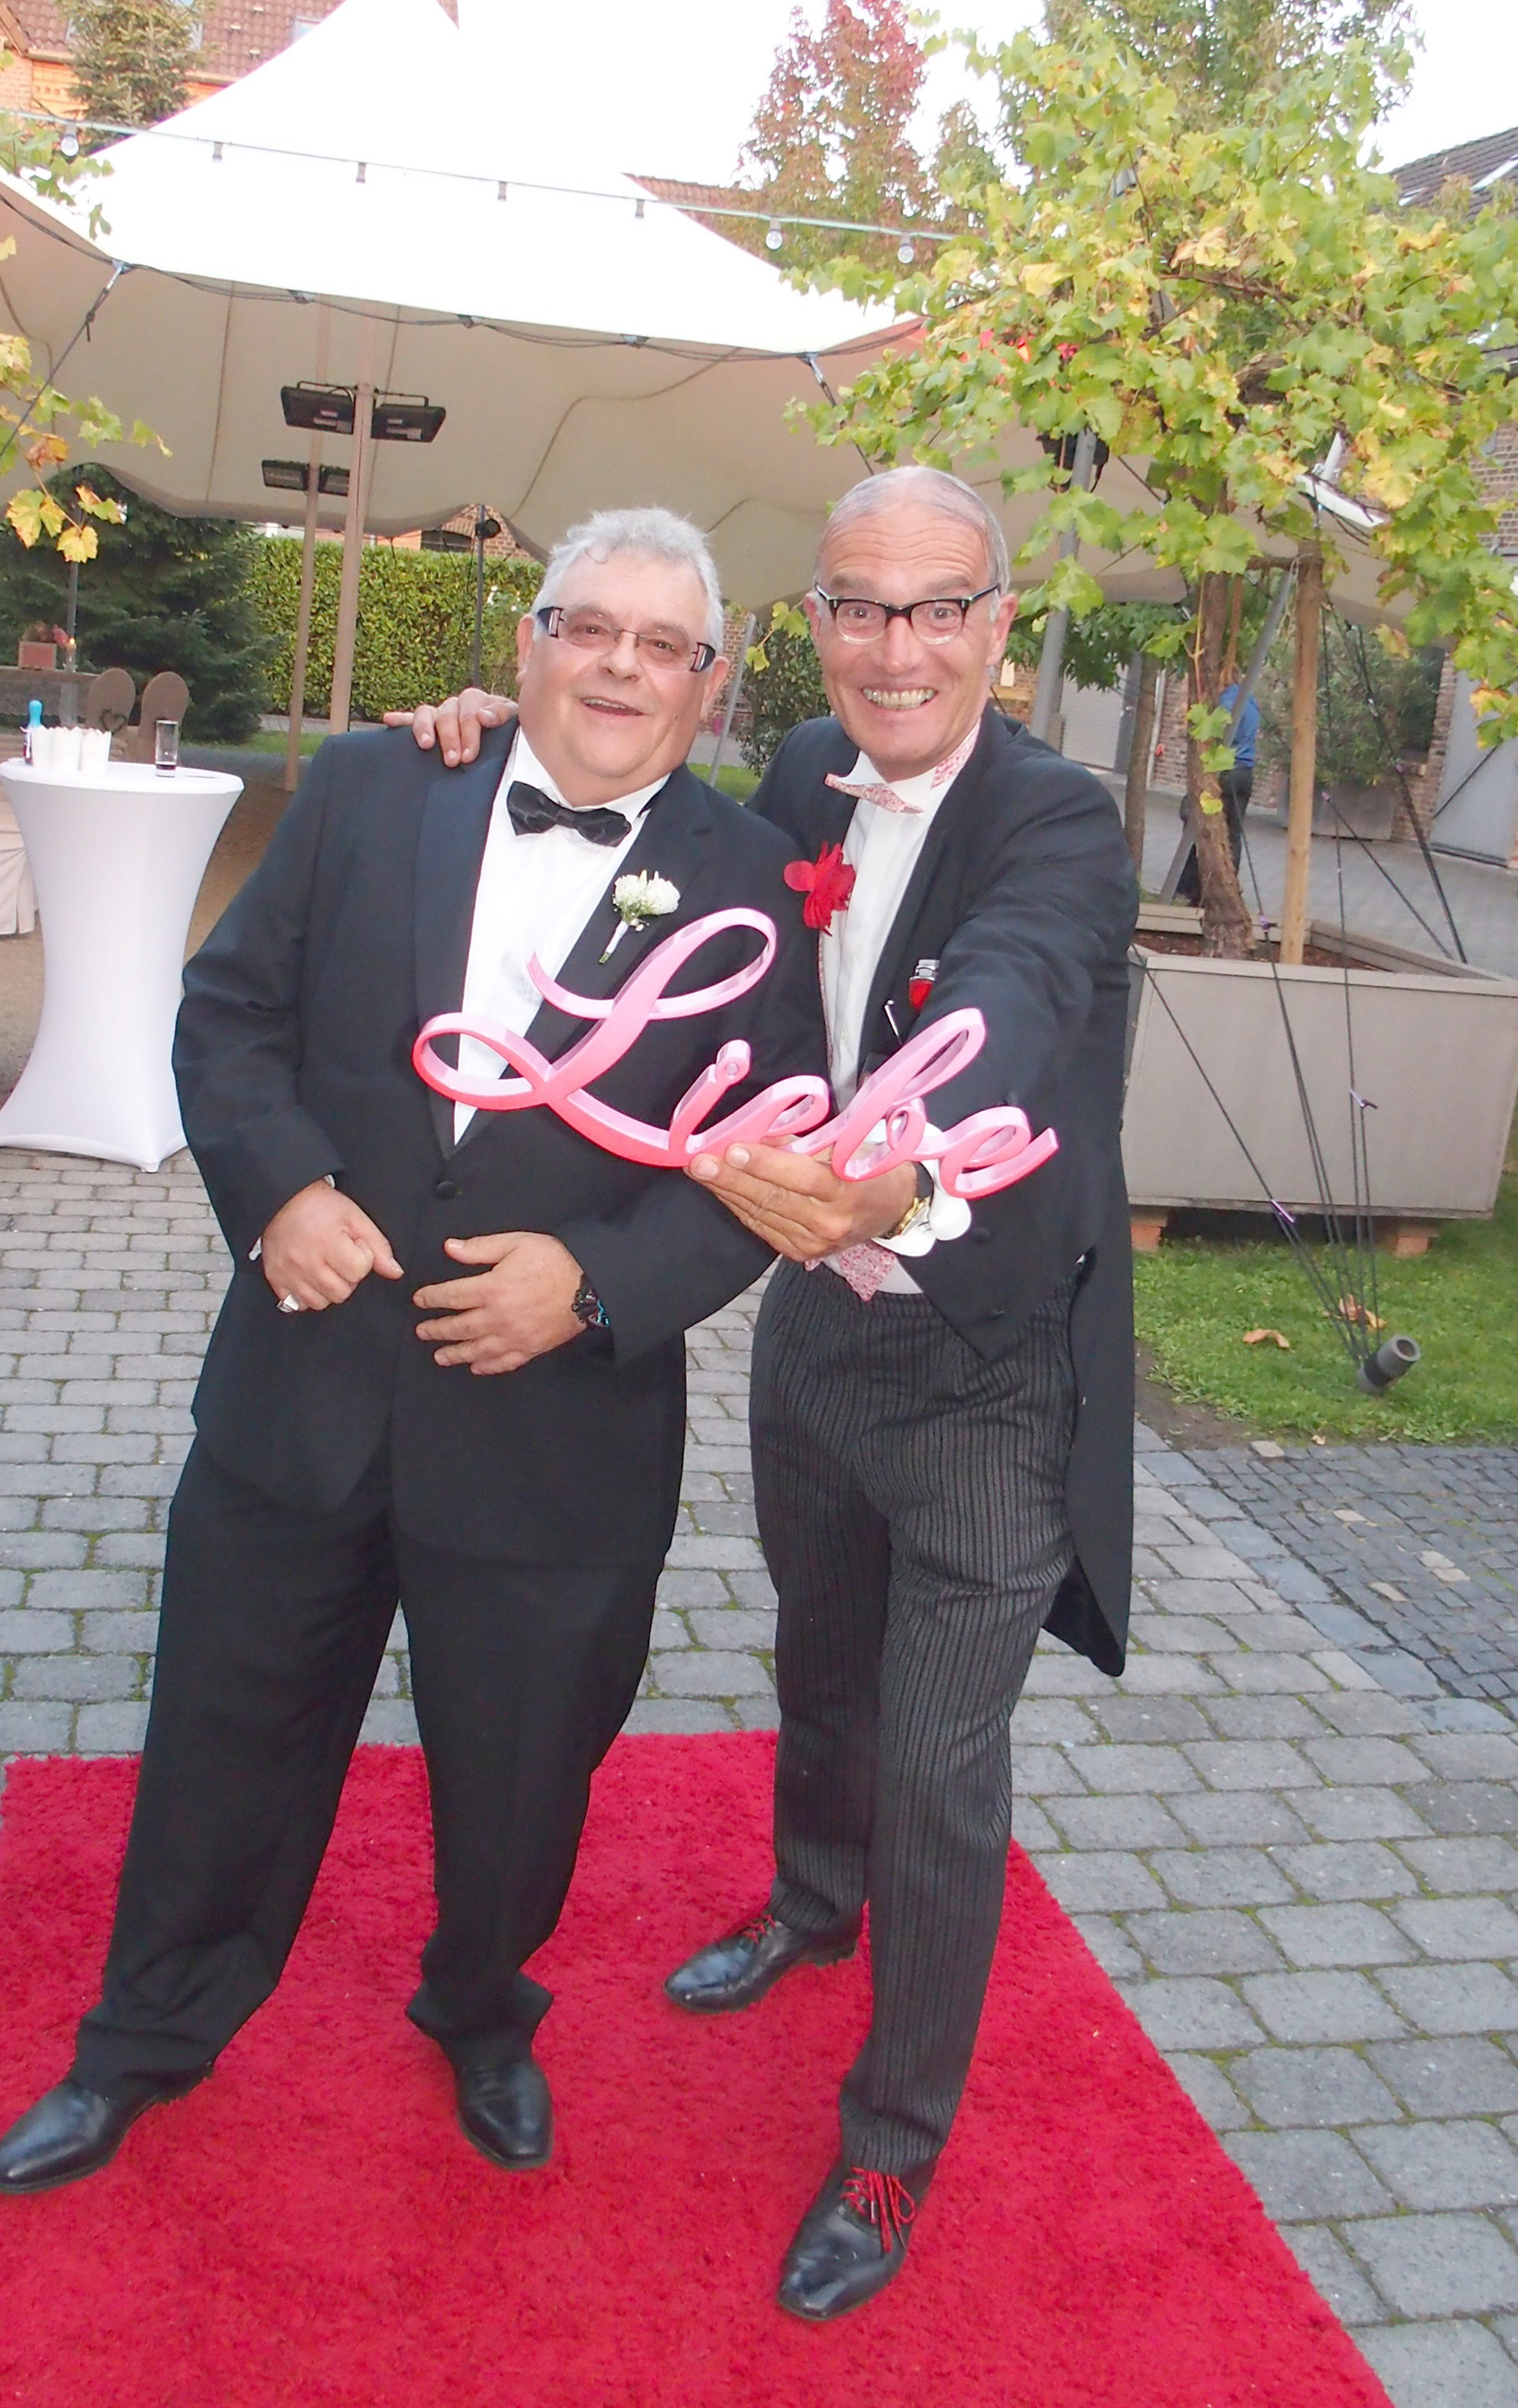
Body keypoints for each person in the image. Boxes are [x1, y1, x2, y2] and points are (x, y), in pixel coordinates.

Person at [0, 507, 824, 2196]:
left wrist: (594, 1285)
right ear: (528, 642)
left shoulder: (750, 879)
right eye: (590, 629)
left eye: (661, 646)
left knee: (522, 1772)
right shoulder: (378, 787)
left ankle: (482, 2010)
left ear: (709, 683)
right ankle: (143, 2038)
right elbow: (229, 1013)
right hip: (305, 1385)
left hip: (552, 1429)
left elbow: (771, 1160)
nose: (620, 669)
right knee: (224, 1733)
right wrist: (280, 1190)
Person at [393, 465, 1140, 2323]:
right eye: (861, 606)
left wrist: (902, 1170)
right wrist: (501, 722)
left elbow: (1017, 1001)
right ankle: (812, 1903)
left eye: (940, 607)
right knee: (820, 1664)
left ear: (997, 625)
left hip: (987, 1366)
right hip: (814, 1332)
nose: (899, 647)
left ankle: (891, 2145)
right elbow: (645, 788)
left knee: (939, 1771)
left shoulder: (1058, 819)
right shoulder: (806, 769)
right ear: (816, 623)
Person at [1175, 682, 1258, 901]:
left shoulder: (1227, 702)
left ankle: (1191, 886)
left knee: (1196, 818)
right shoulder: (1250, 701)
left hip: (1226, 770)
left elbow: (1219, 733)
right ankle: (1230, 886)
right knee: (1233, 833)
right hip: (1245, 773)